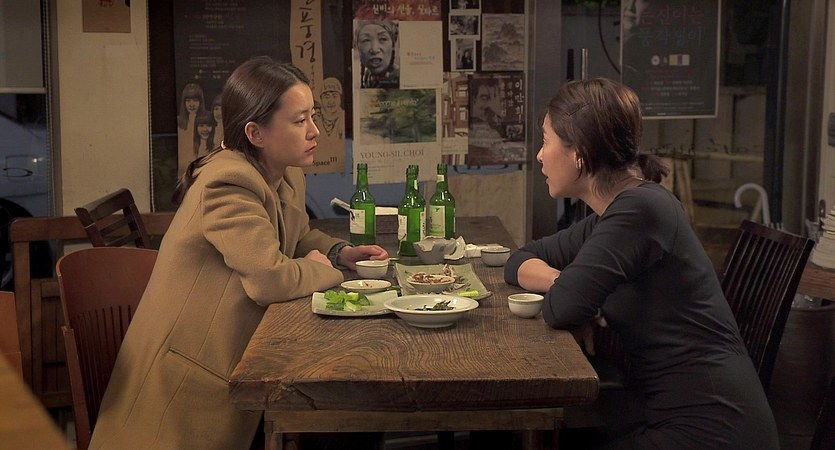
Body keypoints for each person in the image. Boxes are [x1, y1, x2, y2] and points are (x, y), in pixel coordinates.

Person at [88, 56, 389, 449]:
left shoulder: (284, 171)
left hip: (236, 364)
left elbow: (295, 236)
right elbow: (270, 279)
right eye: (300, 121)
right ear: (255, 133)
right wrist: (325, 271)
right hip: (184, 393)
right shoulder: (228, 183)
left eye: (313, 116)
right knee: (345, 418)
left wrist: (339, 253)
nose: (315, 131)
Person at [503, 78, 779, 449]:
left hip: (712, 427)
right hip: (668, 412)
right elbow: (518, 260)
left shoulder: (640, 211)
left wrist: (572, 292)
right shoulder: (613, 215)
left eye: (546, 140)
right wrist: (564, 281)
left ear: (579, 153)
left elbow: (561, 308)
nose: (539, 155)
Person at [356, 19, 399, 88]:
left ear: (393, 45)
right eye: (366, 40)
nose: (374, 49)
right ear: (358, 46)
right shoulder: (367, 75)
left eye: (383, 39)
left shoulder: (399, 79)